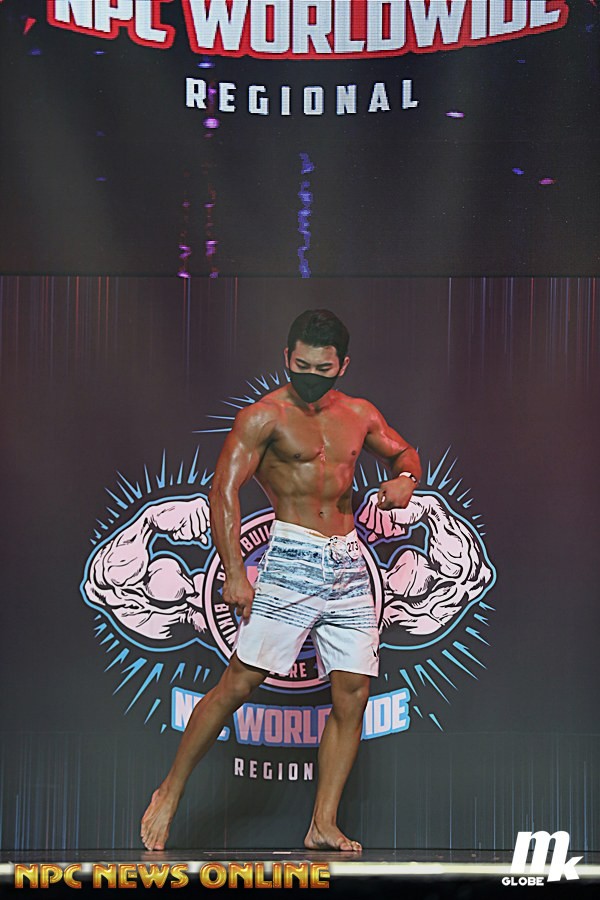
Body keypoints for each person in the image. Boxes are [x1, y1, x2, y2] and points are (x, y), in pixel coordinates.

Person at [140, 309, 421, 852]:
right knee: (239, 683)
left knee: (353, 693)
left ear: (342, 365)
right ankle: (170, 790)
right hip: (292, 556)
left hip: (349, 561)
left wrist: (406, 479)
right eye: (301, 365)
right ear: (286, 358)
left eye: (322, 368)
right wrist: (234, 571)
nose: (310, 376)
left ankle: (322, 823)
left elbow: (403, 452)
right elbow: (223, 490)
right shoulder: (263, 418)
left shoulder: (360, 414)